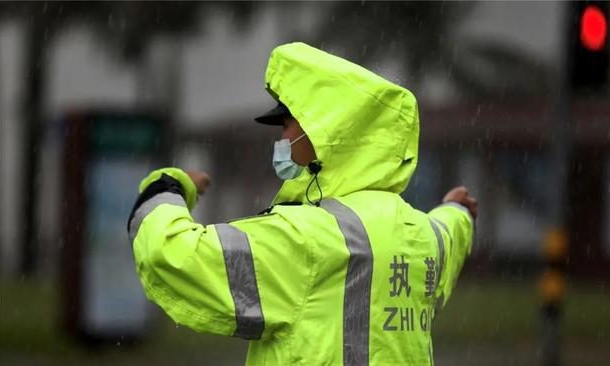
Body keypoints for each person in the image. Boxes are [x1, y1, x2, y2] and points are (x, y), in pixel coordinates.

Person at [127, 42, 476, 366]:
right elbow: (450, 234)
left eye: (287, 123)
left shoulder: (305, 239)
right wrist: (456, 209)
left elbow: (173, 253)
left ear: (326, 131)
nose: (282, 138)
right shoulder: (421, 235)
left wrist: (167, 186)